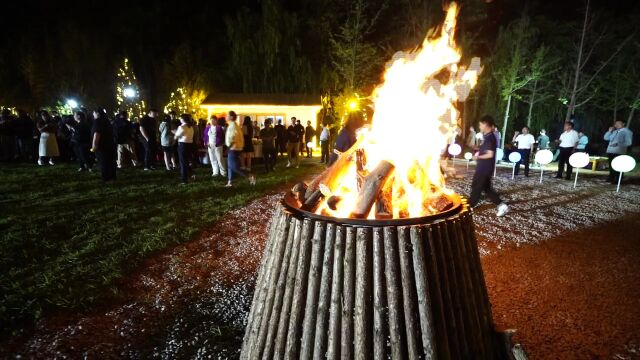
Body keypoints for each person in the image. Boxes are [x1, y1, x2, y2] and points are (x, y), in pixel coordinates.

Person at [470, 115, 509, 217]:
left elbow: (490, 154)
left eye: (480, 124)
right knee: (486, 188)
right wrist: (478, 147)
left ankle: (470, 206)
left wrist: (477, 157)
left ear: (485, 124)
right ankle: (501, 205)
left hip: (484, 168)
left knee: (477, 187)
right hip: (485, 167)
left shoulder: (490, 137)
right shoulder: (488, 136)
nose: (479, 127)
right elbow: (486, 149)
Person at [225, 111, 255, 187]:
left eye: (227, 115)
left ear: (231, 117)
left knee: (234, 167)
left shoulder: (233, 126)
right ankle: (230, 182)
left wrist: (228, 148)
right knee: (230, 166)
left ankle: (250, 176)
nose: (226, 117)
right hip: (236, 148)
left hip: (233, 148)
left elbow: (232, 138)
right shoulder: (235, 125)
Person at [91, 109, 117, 181]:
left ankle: (106, 177)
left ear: (97, 113)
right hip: (110, 144)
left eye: (93, 113)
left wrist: (94, 146)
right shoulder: (107, 121)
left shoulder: (97, 122)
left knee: (103, 161)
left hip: (102, 145)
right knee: (111, 161)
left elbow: (97, 134)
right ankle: (113, 176)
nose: (93, 115)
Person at [174, 114, 195, 184]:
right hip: (189, 145)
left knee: (183, 162)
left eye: (180, 118)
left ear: (183, 119)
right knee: (187, 161)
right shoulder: (191, 127)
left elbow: (176, 137)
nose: (180, 119)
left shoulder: (181, 127)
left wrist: (175, 133)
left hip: (182, 145)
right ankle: (191, 174)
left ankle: (184, 180)